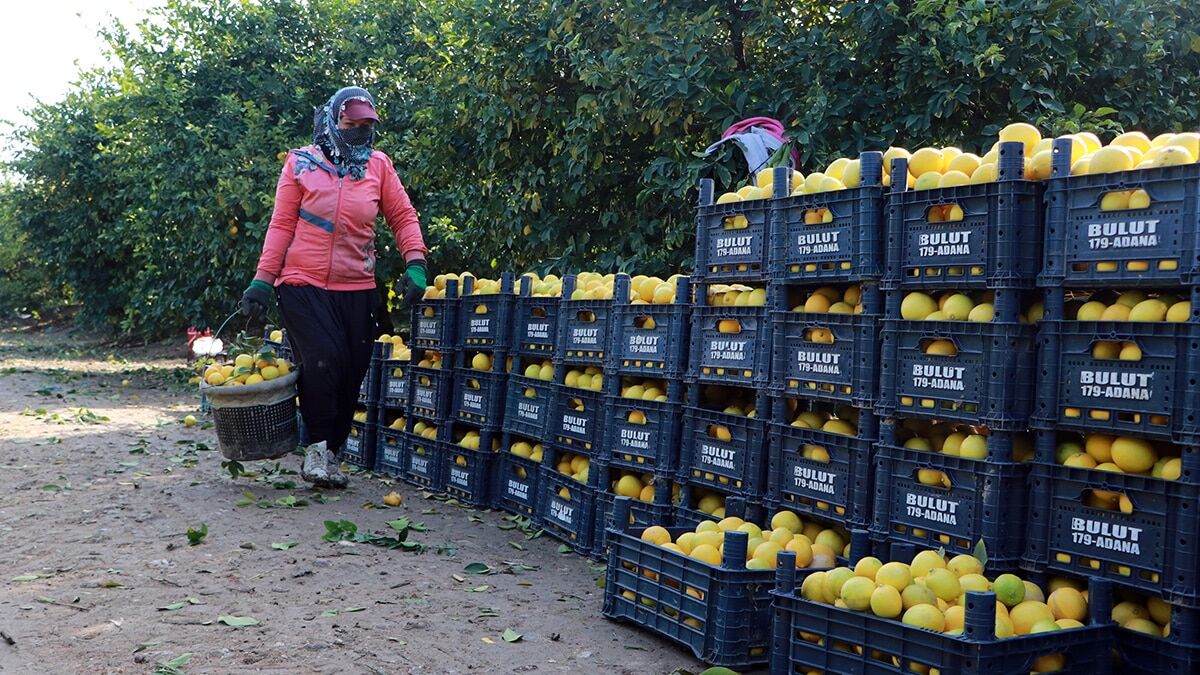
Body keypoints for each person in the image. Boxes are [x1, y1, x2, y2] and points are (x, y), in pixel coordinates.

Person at [240, 86, 429, 488]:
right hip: (301, 282)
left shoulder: (378, 166)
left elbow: (403, 217)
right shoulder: (300, 164)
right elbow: (281, 225)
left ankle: (331, 453)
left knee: (351, 371)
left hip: (358, 286)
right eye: (351, 123)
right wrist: (262, 280)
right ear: (331, 122)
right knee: (323, 361)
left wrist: (416, 263)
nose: (359, 132)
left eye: (366, 125)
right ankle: (315, 451)